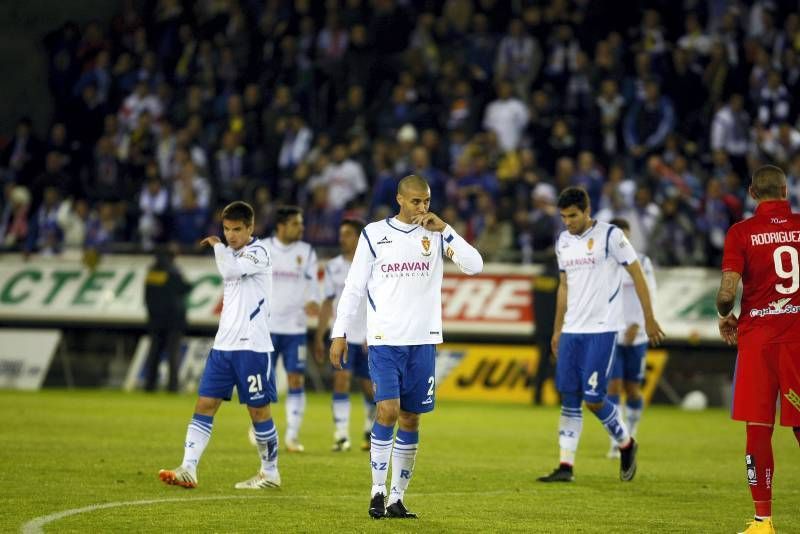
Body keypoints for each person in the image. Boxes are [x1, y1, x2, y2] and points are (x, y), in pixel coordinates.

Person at [329, 175, 483, 519]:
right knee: (388, 411)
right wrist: (339, 333)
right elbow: (354, 287)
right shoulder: (373, 234)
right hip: (385, 340)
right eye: (416, 201)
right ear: (400, 199)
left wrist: (446, 229)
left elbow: (475, 266)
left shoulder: (436, 233)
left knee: (411, 418)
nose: (423, 208)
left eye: (426, 201)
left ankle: (397, 498)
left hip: (424, 341)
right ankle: (377, 491)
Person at [538, 187, 664, 484]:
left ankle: (625, 442)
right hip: (571, 330)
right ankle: (565, 465)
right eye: (563, 217)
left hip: (602, 329)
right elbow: (564, 286)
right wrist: (558, 328)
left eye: (572, 216)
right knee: (569, 397)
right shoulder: (563, 241)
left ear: (587, 210)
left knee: (594, 398)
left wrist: (648, 318)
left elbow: (636, 274)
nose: (568, 222)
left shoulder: (611, 236)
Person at [159, 201, 281, 490]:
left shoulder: (259, 252)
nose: (231, 235)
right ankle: (188, 468)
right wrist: (223, 248)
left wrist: (216, 245)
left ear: (251, 227)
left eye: (237, 229)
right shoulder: (231, 254)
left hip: (252, 346)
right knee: (205, 403)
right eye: (226, 230)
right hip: (223, 346)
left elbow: (229, 272)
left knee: (258, 412)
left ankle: (270, 473)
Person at [716, 165, 800, 534]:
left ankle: (763, 521)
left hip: (758, 343)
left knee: (758, 429)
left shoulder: (741, 233)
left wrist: (725, 315)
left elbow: (725, 294)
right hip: (797, 339)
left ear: (752, 193)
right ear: (785, 190)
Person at [314, 218, 376, 452]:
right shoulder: (333, 267)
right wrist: (321, 335)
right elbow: (327, 303)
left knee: (370, 387)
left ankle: (370, 431)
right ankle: (341, 435)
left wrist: (377, 331)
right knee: (341, 381)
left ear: (359, 237)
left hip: (369, 336)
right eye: (341, 234)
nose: (342, 238)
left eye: (348, 234)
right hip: (343, 336)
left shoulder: (373, 264)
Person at [262, 206, 320, 452]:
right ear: (282, 226)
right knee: (263, 382)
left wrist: (313, 301)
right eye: (296, 223)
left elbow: (313, 285)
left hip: (295, 328)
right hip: (265, 326)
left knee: (296, 379)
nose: (302, 228)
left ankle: (292, 436)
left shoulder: (306, 252)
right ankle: (260, 428)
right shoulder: (263, 248)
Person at [605, 218, 657, 458]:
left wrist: (639, 322)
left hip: (636, 335)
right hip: (612, 334)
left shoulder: (642, 261)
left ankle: (632, 428)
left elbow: (649, 292)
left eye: (625, 236)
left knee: (632, 389)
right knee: (613, 386)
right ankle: (618, 439)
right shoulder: (604, 263)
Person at [143, 244, 191, 392]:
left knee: (154, 353)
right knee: (172, 354)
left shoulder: (151, 273)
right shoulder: (173, 272)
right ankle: (172, 386)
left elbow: (147, 297)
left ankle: (150, 385)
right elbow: (186, 288)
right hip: (173, 321)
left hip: (155, 321)